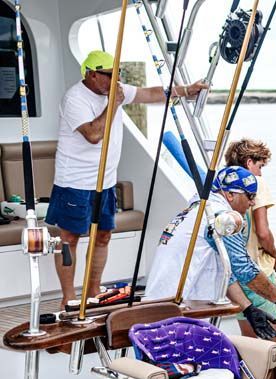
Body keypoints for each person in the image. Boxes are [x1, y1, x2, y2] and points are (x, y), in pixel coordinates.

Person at [45, 50, 207, 309]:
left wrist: (185, 90)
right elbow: (93, 134)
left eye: (117, 74)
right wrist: (114, 104)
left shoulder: (115, 89)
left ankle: (94, 291)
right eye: (109, 75)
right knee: (69, 239)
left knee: (104, 235)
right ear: (92, 74)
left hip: (105, 181)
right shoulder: (75, 98)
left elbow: (150, 94)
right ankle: (68, 298)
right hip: (74, 182)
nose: (115, 80)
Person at [144, 166, 276, 337]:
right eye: (250, 196)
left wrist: (248, 308)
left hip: (155, 311)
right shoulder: (221, 219)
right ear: (230, 195)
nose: (252, 203)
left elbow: (227, 272)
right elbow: (244, 269)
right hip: (173, 317)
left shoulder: (198, 210)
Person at [223, 138, 276, 343]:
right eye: (259, 166)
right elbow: (263, 232)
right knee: (275, 350)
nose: (260, 173)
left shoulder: (224, 186)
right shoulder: (255, 183)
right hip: (258, 272)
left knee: (251, 348)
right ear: (249, 162)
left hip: (236, 280)